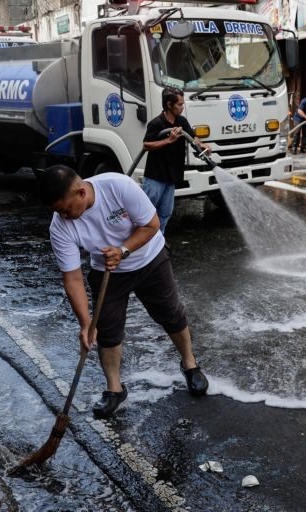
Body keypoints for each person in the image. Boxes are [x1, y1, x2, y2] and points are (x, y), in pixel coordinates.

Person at [39, 165, 209, 419]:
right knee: (105, 329)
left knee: (170, 314)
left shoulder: (118, 186)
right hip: (107, 272)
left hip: (149, 259)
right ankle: (115, 389)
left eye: (65, 208)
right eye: (57, 211)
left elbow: (151, 225)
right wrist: (86, 323)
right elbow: (72, 277)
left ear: (81, 193)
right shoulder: (60, 226)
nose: (63, 215)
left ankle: (190, 364)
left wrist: (123, 250)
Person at [142, 87, 210, 234]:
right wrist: (169, 140)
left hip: (171, 176)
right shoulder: (157, 124)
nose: (182, 107)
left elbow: (193, 138)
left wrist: (202, 145)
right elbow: (147, 145)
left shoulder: (181, 121)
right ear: (169, 105)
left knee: (165, 214)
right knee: (146, 216)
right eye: (179, 104)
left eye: (182, 103)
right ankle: (141, 247)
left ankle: (158, 244)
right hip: (155, 177)